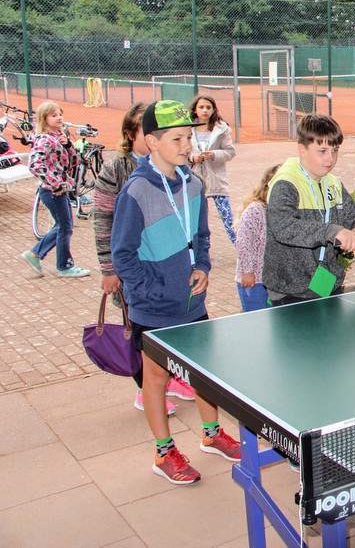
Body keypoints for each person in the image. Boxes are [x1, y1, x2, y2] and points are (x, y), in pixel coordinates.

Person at [111, 100, 239, 485]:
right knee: (156, 379)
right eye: (177, 139)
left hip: (192, 303)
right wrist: (153, 290)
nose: (187, 145)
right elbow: (122, 254)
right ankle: (163, 451)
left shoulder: (194, 184)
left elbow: (202, 237)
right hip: (153, 308)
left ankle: (211, 434)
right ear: (152, 142)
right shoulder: (135, 191)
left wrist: (203, 267)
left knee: (203, 373)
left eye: (188, 138)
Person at [93, 102, 190, 415]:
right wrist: (109, 269)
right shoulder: (116, 169)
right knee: (139, 330)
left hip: (168, 269)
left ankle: (170, 378)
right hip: (135, 270)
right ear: (133, 135)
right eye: (145, 130)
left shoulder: (175, 168)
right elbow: (103, 220)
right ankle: (144, 388)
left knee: (171, 333)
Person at [263, 114, 355, 306]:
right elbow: (283, 226)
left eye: (335, 150)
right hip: (289, 291)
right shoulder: (285, 184)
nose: (330, 158)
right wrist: (332, 231)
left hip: (327, 286)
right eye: (322, 150)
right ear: (302, 150)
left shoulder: (333, 184)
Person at [22, 101, 90, 278]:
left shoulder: (59, 136)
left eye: (60, 114)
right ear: (44, 119)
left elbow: (75, 162)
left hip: (60, 189)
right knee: (65, 227)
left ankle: (35, 254)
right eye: (54, 115)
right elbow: (34, 165)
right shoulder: (44, 139)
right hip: (52, 192)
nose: (59, 118)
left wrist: (68, 146)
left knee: (63, 226)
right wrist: (55, 184)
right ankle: (64, 266)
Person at [189, 94, 237, 245]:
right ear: (195, 110)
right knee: (199, 219)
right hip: (196, 180)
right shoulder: (187, 129)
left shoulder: (221, 129)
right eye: (201, 107)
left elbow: (230, 152)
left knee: (228, 218)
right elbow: (182, 152)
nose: (205, 110)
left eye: (208, 107)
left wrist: (214, 154)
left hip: (216, 181)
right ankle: (201, 249)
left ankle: (240, 247)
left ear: (213, 110)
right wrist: (193, 157)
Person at [235, 164, 281, 312]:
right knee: (256, 320)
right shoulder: (255, 210)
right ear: (267, 186)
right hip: (255, 281)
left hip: (275, 281)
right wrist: (248, 271)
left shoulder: (283, 211)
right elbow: (243, 242)